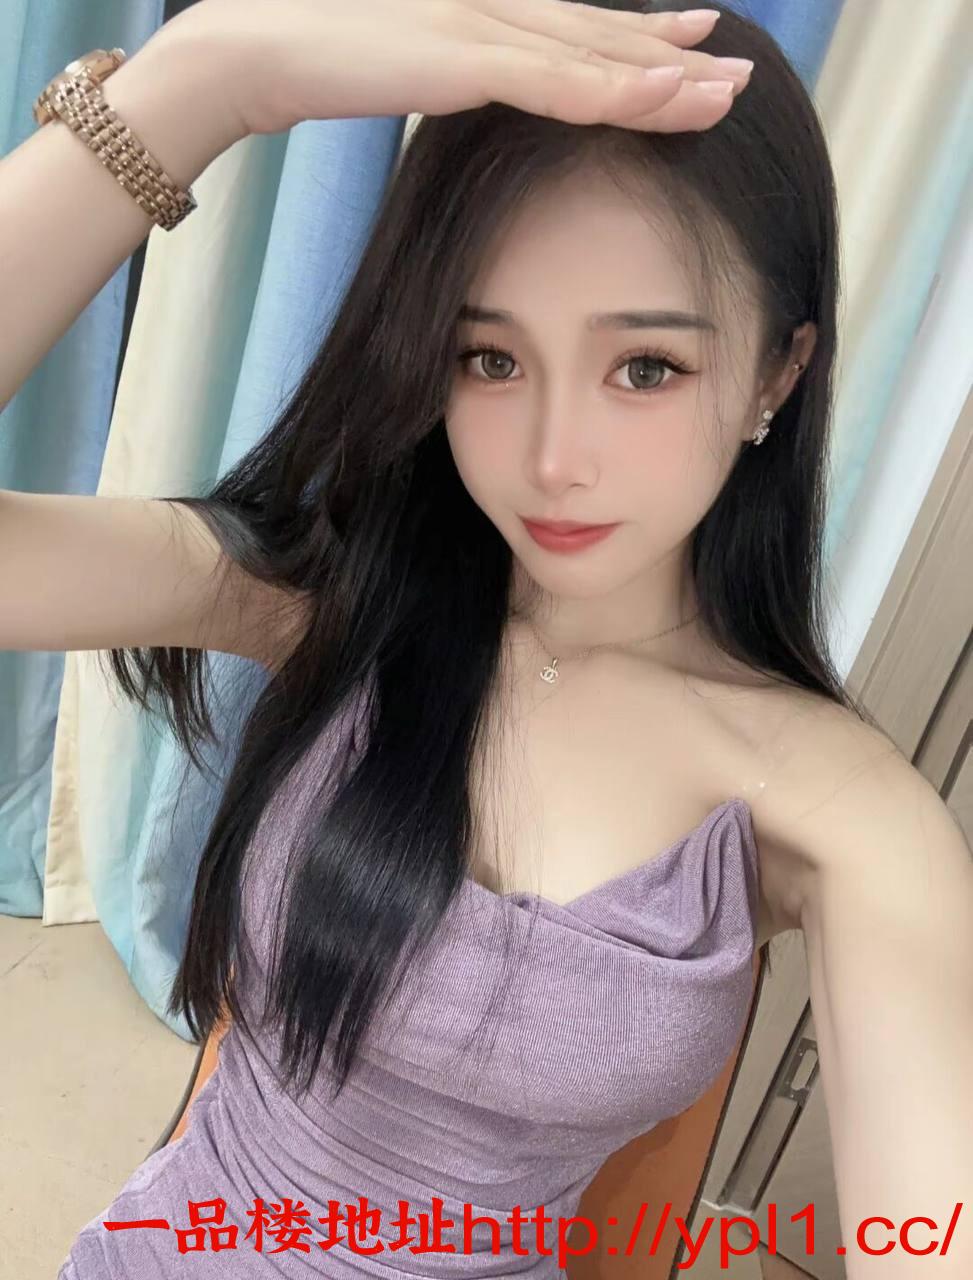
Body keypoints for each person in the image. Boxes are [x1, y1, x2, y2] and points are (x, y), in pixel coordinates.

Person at [1, 1, 970, 1276]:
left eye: (645, 368)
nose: (553, 459)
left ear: (776, 376)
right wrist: (210, 78)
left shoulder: (843, 815)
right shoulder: (340, 602)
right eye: (489, 358)